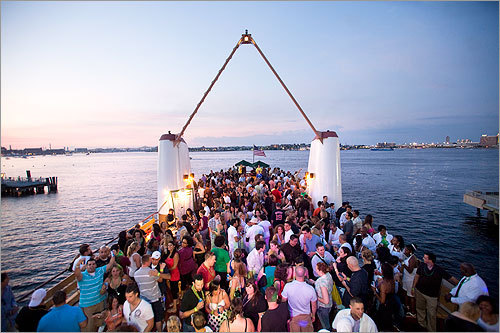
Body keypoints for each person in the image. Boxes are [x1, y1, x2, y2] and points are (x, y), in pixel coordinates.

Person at [412, 251, 459, 332]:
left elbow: (451, 278)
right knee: (420, 309)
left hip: (432, 296)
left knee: (432, 314)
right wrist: (413, 287)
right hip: (420, 292)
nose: (423, 259)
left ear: (430, 260)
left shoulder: (439, 270)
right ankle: (421, 324)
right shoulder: (422, 266)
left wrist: (460, 285)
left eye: (425, 258)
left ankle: (431, 330)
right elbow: (417, 276)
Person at [75, 253, 116, 332]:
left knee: (101, 322)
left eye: (93, 264)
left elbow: (110, 264)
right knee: (89, 326)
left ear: (96, 265)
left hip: (100, 301)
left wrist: (112, 254)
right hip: (88, 305)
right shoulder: (82, 276)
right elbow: (77, 274)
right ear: (86, 266)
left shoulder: (99, 270)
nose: (91, 266)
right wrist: (78, 264)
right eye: (89, 264)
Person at [134, 254, 168, 332]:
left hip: (144, 300)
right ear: (148, 262)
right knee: (158, 318)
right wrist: (161, 270)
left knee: (147, 319)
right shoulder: (151, 272)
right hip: (155, 298)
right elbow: (160, 280)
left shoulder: (136, 274)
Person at [281, 265, 317, 332]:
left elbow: (283, 302)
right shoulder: (310, 289)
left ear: (295, 273)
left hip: (293, 317)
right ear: (305, 274)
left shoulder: (288, 286)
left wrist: (286, 316)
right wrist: (313, 315)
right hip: (305, 317)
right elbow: (314, 305)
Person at [372, 263, 397, 331]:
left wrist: (375, 292)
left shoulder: (383, 285)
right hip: (391, 303)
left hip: (384, 307)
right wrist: (380, 274)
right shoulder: (392, 280)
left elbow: (382, 301)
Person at [314, 262, 334, 330]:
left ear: (320, 270)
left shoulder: (321, 282)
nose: (315, 270)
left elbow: (326, 301)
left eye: (316, 269)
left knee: (325, 326)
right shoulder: (328, 275)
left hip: (323, 307)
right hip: (330, 304)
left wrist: (315, 296)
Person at [400, 243, 418, 316]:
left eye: (406, 250)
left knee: (411, 296)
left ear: (410, 251)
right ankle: (407, 306)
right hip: (406, 278)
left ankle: (413, 312)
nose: (404, 251)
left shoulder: (413, 259)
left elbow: (410, 270)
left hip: (411, 280)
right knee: (406, 293)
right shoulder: (409, 258)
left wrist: (403, 264)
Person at [165, 240, 181, 311]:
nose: (169, 247)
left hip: (174, 274)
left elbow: (174, 266)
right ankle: (176, 301)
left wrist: (167, 270)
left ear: (174, 246)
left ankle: (174, 308)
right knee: (174, 288)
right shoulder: (168, 253)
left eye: (171, 245)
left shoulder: (175, 255)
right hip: (170, 273)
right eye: (168, 245)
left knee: (174, 290)